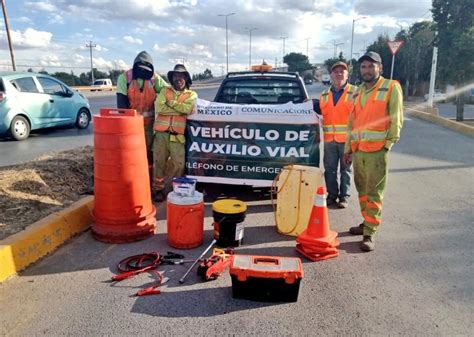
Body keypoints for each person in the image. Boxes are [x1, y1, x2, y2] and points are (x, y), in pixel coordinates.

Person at [343, 51, 404, 252]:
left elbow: (396, 118)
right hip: (359, 151)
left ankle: (370, 232)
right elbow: (352, 122)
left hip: (377, 152)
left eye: (371, 66)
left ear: (380, 68)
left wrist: (387, 145)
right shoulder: (358, 91)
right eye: (364, 67)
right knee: (362, 191)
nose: (367, 70)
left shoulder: (391, 87)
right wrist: (348, 149)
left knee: (374, 193)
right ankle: (365, 222)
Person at [152, 64, 197, 202]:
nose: (178, 79)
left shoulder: (191, 94)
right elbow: (159, 108)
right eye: (176, 76)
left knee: (179, 165)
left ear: (186, 78)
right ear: (172, 78)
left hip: (178, 137)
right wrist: (179, 108)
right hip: (161, 135)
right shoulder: (165, 91)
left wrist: (170, 103)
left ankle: (176, 189)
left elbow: (188, 109)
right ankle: (158, 189)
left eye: (181, 76)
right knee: (159, 163)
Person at [116, 51, 168, 162]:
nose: (143, 71)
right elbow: (121, 106)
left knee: (148, 151)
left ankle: (147, 175)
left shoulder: (154, 79)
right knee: (132, 152)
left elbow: (168, 91)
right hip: (131, 125)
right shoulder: (124, 78)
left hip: (149, 124)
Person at [319, 61, 356, 209]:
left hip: (348, 141)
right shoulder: (324, 95)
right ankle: (332, 195)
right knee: (329, 170)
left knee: (346, 170)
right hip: (329, 141)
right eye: (336, 72)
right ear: (331, 75)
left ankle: (344, 197)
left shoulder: (355, 92)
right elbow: (319, 113)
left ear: (347, 75)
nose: (339, 74)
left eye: (342, 71)